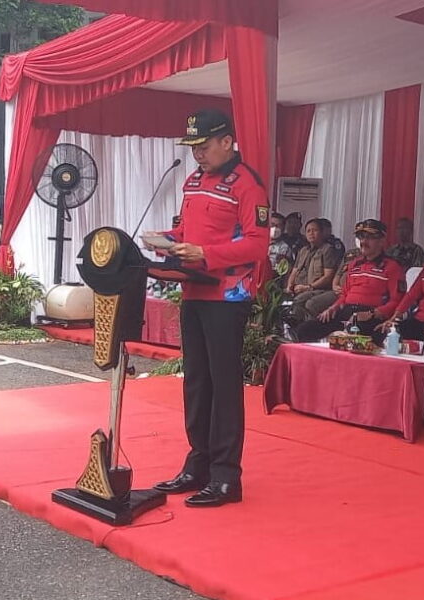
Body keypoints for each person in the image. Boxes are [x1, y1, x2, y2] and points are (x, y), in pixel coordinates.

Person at [147, 109, 269, 508]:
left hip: (227, 297)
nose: (197, 154)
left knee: (224, 385)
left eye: (203, 146)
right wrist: (165, 240)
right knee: (196, 382)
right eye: (193, 147)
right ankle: (197, 464)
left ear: (226, 142)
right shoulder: (194, 180)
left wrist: (206, 253)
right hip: (194, 292)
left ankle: (226, 476)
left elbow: (257, 245)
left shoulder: (247, 184)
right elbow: (186, 232)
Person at [296, 219, 404, 344]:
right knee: (304, 330)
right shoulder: (354, 264)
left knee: (355, 336)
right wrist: (333, 308)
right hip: (346, 312)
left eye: (369, 238)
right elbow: (344, 295)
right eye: (361, 237)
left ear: (381, 240)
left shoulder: (392, 266)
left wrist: (373, 313)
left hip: (371, 316)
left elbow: (397, 300)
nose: (363, 242)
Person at [286, 218, 340, 322]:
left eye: (315, 230)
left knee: (299, 301)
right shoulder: (303, 250)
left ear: (322, 233)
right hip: (298, 288)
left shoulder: (327, 249)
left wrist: (308, 287)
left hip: (318, 289)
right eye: (308, 231)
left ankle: (301, 327)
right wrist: (289, 286)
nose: (311, 233)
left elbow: (328, 277)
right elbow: (294, 271)